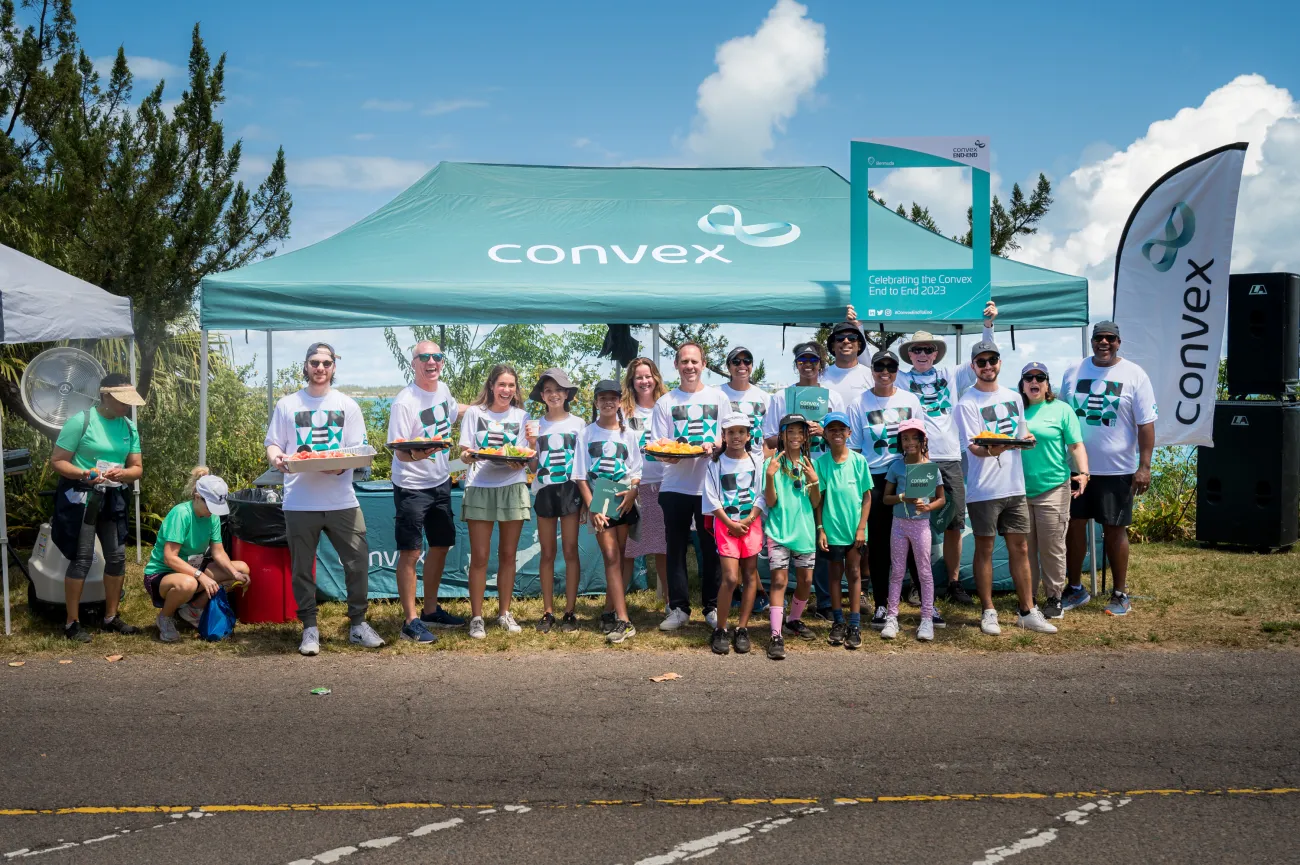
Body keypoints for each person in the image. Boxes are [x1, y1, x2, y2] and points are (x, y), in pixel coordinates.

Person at [267, 343, 384, 655]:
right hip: (299, 501)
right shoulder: (287, 404)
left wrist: (341, 465)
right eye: (314, 362)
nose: (320, 368)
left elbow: (357, 451)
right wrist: (278, 458)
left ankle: (357, 625)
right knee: (302, 568)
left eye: (326, 363)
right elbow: (274, 445)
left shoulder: (348, 405)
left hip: (342, 500)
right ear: (305, 366)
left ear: (334, 367)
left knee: (358, 561)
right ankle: (309, 629)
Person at [892, 302, 998, 607]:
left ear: (936, 352)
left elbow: (984, 356)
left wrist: (988, 324)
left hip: (950, 458)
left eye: (927, 349)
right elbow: (865, 366)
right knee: (913, 520)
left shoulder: (952, 374)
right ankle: (913, 583)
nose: (922, 354)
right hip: (918, 459)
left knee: (954, 522)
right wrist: (858, 328)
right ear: (909, 355)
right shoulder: (898, 378)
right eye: (916, 350)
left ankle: (953, 582)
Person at [954, 340, 1058, 636]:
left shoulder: (1014, 396)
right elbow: (973, 447)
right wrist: (1000, 448)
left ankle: (1027, 610)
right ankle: (988, 611)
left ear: (999, 363)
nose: (988, 366)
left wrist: (1027, 439)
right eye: (982, 362)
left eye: (993, 360)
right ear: (973, 367)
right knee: (985, 548)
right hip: (984, 489)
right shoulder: (967, 402)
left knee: (1021, 547)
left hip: (1015, 486)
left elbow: (1021, 431)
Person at [1061, 321, 1157, 616]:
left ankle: (1120, 594)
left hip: (1117, 470)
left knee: (1115, 529)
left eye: (1110, 338)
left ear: (1119, 342)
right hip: (1077, 469)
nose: (1104, 343)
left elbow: (1146, 425)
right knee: (1073, 528)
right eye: (1099, 338)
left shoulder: (1134, 375)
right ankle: (1075, 588)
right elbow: (1060, 417)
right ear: (1091, 341)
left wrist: (1144, 466)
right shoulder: (1073, 372)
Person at [48, 373, 145, 642]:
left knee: (116, 557)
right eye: (122, 401)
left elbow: (137, 468)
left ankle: (111, 617)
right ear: (105, 396)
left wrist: (122, 474)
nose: (127, 407)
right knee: (81, 558)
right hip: (83, 497)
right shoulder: (81, 421)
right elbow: (58, 461)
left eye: (129, 402)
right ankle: (72, 622)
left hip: (113, 498)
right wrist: (84, 473)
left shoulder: (128, 427)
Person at [387, 340, 465, 645]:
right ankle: (410, 620)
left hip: (441, 482)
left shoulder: (443, 389)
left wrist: (495, 408)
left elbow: (456, 412)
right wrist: (420, 454)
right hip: (411, 486)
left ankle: (431, 610)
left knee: (442, 544)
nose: (431, 362)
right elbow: (400, 451)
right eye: (424, 358)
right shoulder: (404, 401)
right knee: (410, 552)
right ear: (414, 363)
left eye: (437, 357)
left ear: (442, 362)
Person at [651, 342, 732, 631]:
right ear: (676, 365)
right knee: (675, 548)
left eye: (694, 361)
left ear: (703, 364)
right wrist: (669, 454)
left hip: (709, 486)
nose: (690, 366)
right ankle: (678, 609)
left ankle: (711, 607)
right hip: (675, 486)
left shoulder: (719, 397)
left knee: (711, 549)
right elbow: (659, 444)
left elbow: (728, 437)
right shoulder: (666, 402)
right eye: (684, 361)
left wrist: (716, 446)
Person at [763, 341, 845, 622]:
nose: (807, 364)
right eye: (802, 360)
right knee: (799, 531)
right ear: (796, 364)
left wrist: (822, 431)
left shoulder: (833, 395)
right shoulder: (780, 397)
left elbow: (842, 436)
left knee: (822, 532)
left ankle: (823, 602)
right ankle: (786, 609)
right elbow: (768, 439)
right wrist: (793, 433)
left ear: (821, 363)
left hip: (823, 468)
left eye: (813, 359)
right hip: (790, 472)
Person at [846, 349, 924, 630]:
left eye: (891, 367)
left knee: (916, 541)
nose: (885, 372)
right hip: (876, 478)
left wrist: (922, 477)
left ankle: (926, 603)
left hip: (907, 475)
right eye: (879, 366)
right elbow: (854, 448)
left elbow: (921, 441)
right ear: (872, 369)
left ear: (896, 370)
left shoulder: (910, 399)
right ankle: (881, 604)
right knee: (878, 545)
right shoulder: (859, 402)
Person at [458, 363, 532, 639]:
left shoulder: (522, 416)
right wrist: (469, 456)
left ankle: (504, 613)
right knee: (479, 557)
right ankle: (476, 617)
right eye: (501, 384)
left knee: (508, 555)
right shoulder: (475, 414)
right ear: (491, 386)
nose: (506, 390)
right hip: (479, 486)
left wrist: (519, 463)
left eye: (511, 385)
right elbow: (466, 451)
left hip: (512, 486)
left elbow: (524, 454)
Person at [144, 468, 251, 642]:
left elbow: (218, 551)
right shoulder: (181, 514)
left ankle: (192, 610)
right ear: (197, 496)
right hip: (162, 574)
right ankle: (165, 617)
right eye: (210, 505)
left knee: (241, 568)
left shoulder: (212, 518)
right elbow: (170, 558)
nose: (212, 511)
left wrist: (235, 574)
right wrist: (200, 576)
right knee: (188, 583)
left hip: (192, 570)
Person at [573, 380, 642, 644]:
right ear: (595, 403)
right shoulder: (587, 433)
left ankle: (608, 610)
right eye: (602, 398)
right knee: (610, 555)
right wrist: (593, 507)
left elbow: (636, 472)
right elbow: (580, 475)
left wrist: (633, 493)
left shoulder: (629, 435)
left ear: (620, 402)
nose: (608, 402)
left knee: (623, 557)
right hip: (600, 495)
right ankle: (624, 621)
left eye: (613, 398)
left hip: (624, 495)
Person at [1019, 362, 1089, 620]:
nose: (1034, 382)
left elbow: (1076, 446)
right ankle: (1029, 600)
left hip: (1053, 488)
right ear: (1023, 384)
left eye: (1040, 377)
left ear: (1047, 384)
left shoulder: (1061, 410)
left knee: (1052, 546)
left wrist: (1084, 473)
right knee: (1025, 548)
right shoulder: (1016, 410)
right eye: (1028, 378)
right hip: (1020, 490)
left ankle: (1054, 598)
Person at [526, 368, 585, 633]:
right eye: (548, 390)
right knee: (548, 552)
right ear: (542, 395)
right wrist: (530, 443)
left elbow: (584, 464)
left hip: (571, 491)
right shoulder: (536, 425)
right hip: (545, 492)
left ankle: (570, 612)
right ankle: (548, 612)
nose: (553, 394)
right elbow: (532, 466)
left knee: (570, 550)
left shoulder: (579, 424)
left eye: (558, 389)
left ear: (567, 394)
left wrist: (585, 500)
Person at [761, 414, 821, 660]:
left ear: (806, 436)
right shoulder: (771, 463)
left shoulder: (811, 463)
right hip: (778, 531)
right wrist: (770, 476)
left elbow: (816, 502)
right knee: (778, 582)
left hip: (805, 532)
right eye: (790, 432)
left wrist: (814, 482)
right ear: (782, 435)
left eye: (800, 432)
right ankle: (776, 634)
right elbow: (771, 502)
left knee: (806, 581)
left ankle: (793, 620)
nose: (796, 436)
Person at [704, 412, 764, 655]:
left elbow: (761, 494)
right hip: (726, 525)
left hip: (751, 525)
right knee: (730, 578)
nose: (736, 436)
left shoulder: (756, 462)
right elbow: (711, 497)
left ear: (748, 435)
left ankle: (742, 628)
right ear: (724, 436)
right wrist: (730, 523)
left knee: (750, 575)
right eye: (731, 432)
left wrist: (748, 520)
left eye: (741, 432)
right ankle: (721, 629)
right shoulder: (715, 463)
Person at [881, 420, 945, 641]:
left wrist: (928, 507)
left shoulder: (931, 467)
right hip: (898, 525)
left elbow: (941, 499)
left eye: (913, 438)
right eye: (904, 438)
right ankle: (891, 618)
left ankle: (926, 618)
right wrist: (902, 497)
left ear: (922, 440)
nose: (909, 442)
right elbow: (886, 498)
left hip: (921, 526)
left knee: (924, 572)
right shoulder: (896, 467)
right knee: (897, 572)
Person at [814, 412, 873, 649]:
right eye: (832, 430)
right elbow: (819, 501)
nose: (837, 434)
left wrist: (861, 528)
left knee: (855, 573)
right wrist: (821, 529)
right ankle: (838, 622)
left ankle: (855, 624)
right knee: (835, 577)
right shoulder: (821, 464)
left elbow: (867, 498)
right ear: (825, 435)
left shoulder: (859, 462)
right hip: (832, 531)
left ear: (849, 433)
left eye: (841, 430)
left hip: (855, 533)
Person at [621, 357, 669, 612]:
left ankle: (670, 603)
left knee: (663, 547)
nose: (644, 381)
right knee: (627, 547)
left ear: (656, 378)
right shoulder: (622, 411)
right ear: (631, 381)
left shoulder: (667, 406)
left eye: (648, 376)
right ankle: (618, 605)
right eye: (638, 377)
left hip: (663, 483)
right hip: (631, 487)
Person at [719, 345, 770, 458]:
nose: (742, 365)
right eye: (736, 362)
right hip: (724, 463)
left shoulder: (764, 397)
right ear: (728, 367)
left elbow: (769, 436)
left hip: (756, 464)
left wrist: (763, 463)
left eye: (747, 361)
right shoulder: (717, 394)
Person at [821, 320, 873, 404]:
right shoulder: (820, 376)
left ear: (859, 346)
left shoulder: (872, 376)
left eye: (852, 338)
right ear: (833, 346)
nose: (846, 341)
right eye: (840, 338)